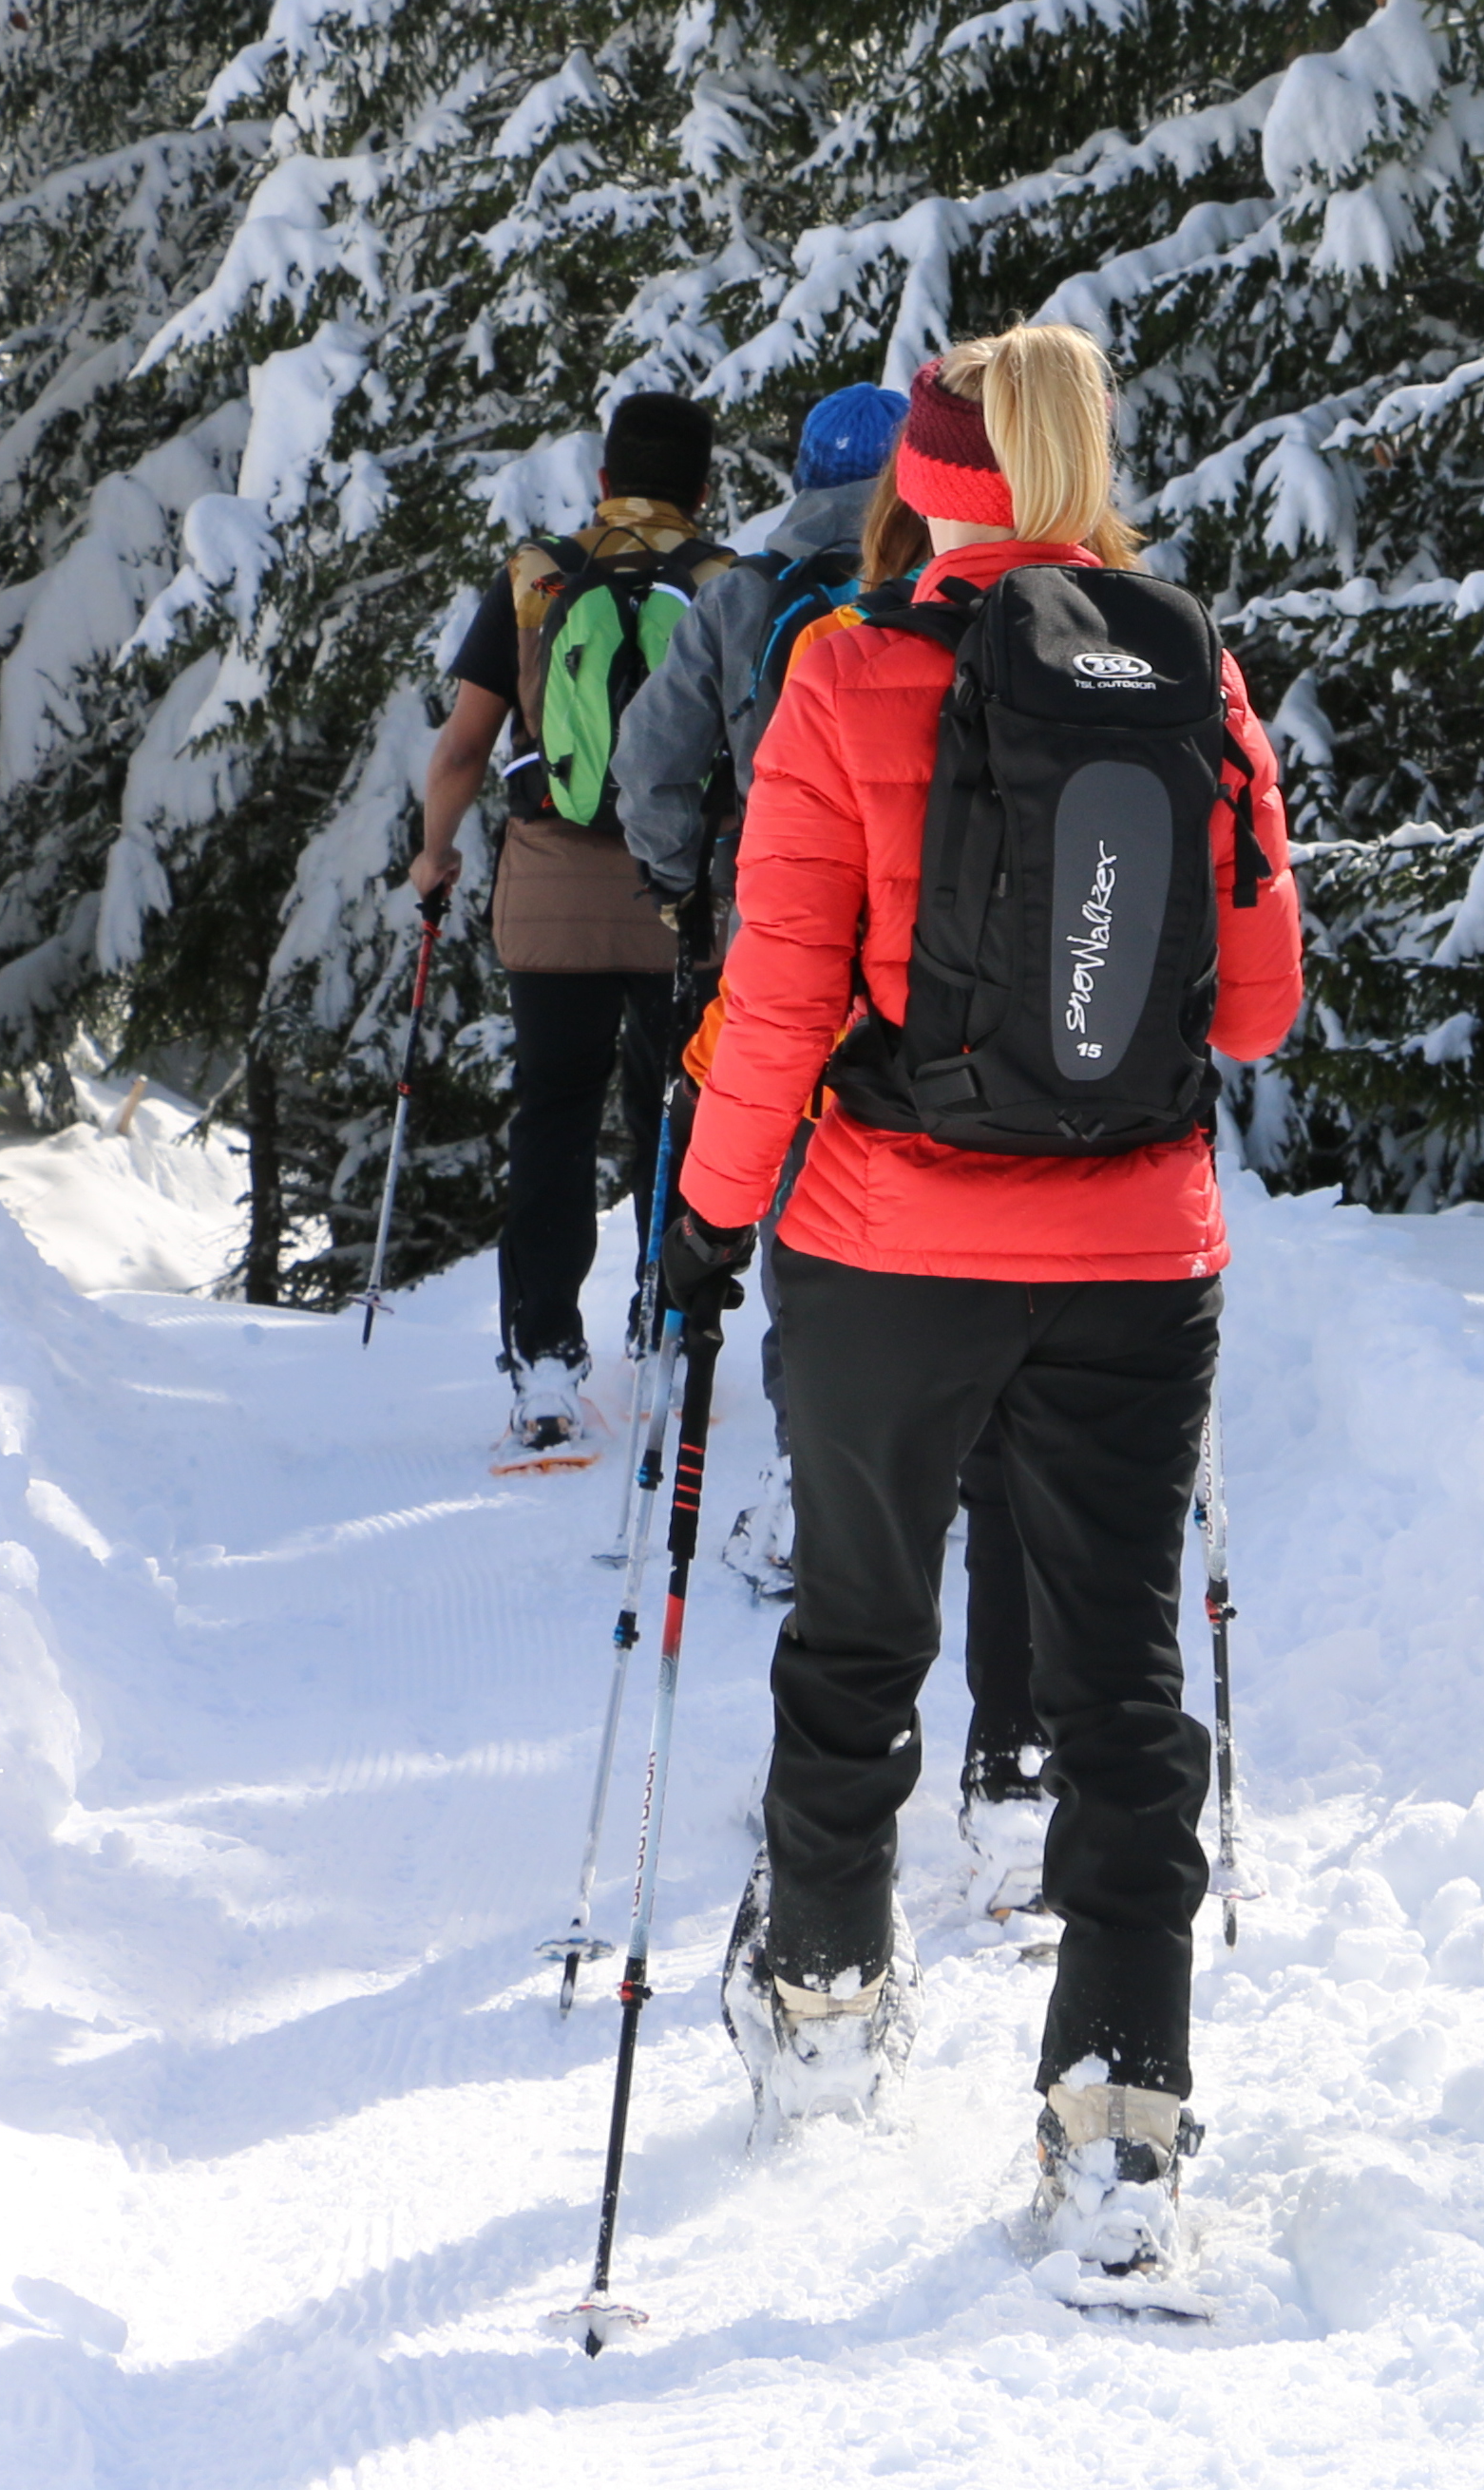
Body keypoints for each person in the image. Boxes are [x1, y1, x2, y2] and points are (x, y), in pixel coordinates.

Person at [657, 324, 1304, 2277]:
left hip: (884, 1243)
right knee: (1121, 1694)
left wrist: (702, 1219)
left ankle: (829, 2005)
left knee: (859, 1629)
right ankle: (1122, 2122)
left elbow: (776, 994)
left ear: (920, 487)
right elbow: (1258, 1003)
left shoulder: (842, 672)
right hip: (1134, 1255)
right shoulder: (1196, 675)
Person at [611, 382, 906, 1601]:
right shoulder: (942, 587)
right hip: (922, 939)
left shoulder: (743, 595)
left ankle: (807, 1473)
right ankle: (938, 1457)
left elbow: (651, 761)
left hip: (781, 929)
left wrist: (682, 883)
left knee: (797, 1190)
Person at [406, 390, 731, 1455]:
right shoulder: (726, 584)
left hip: (548, 892)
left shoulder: (538, 577)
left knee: (552, 1116)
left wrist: (436, 852)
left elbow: (462, 749)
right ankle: (670, 1329)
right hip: (678, 899)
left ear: (604, 484)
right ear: (704, 489)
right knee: (672, 1110)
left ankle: (544, 1360)